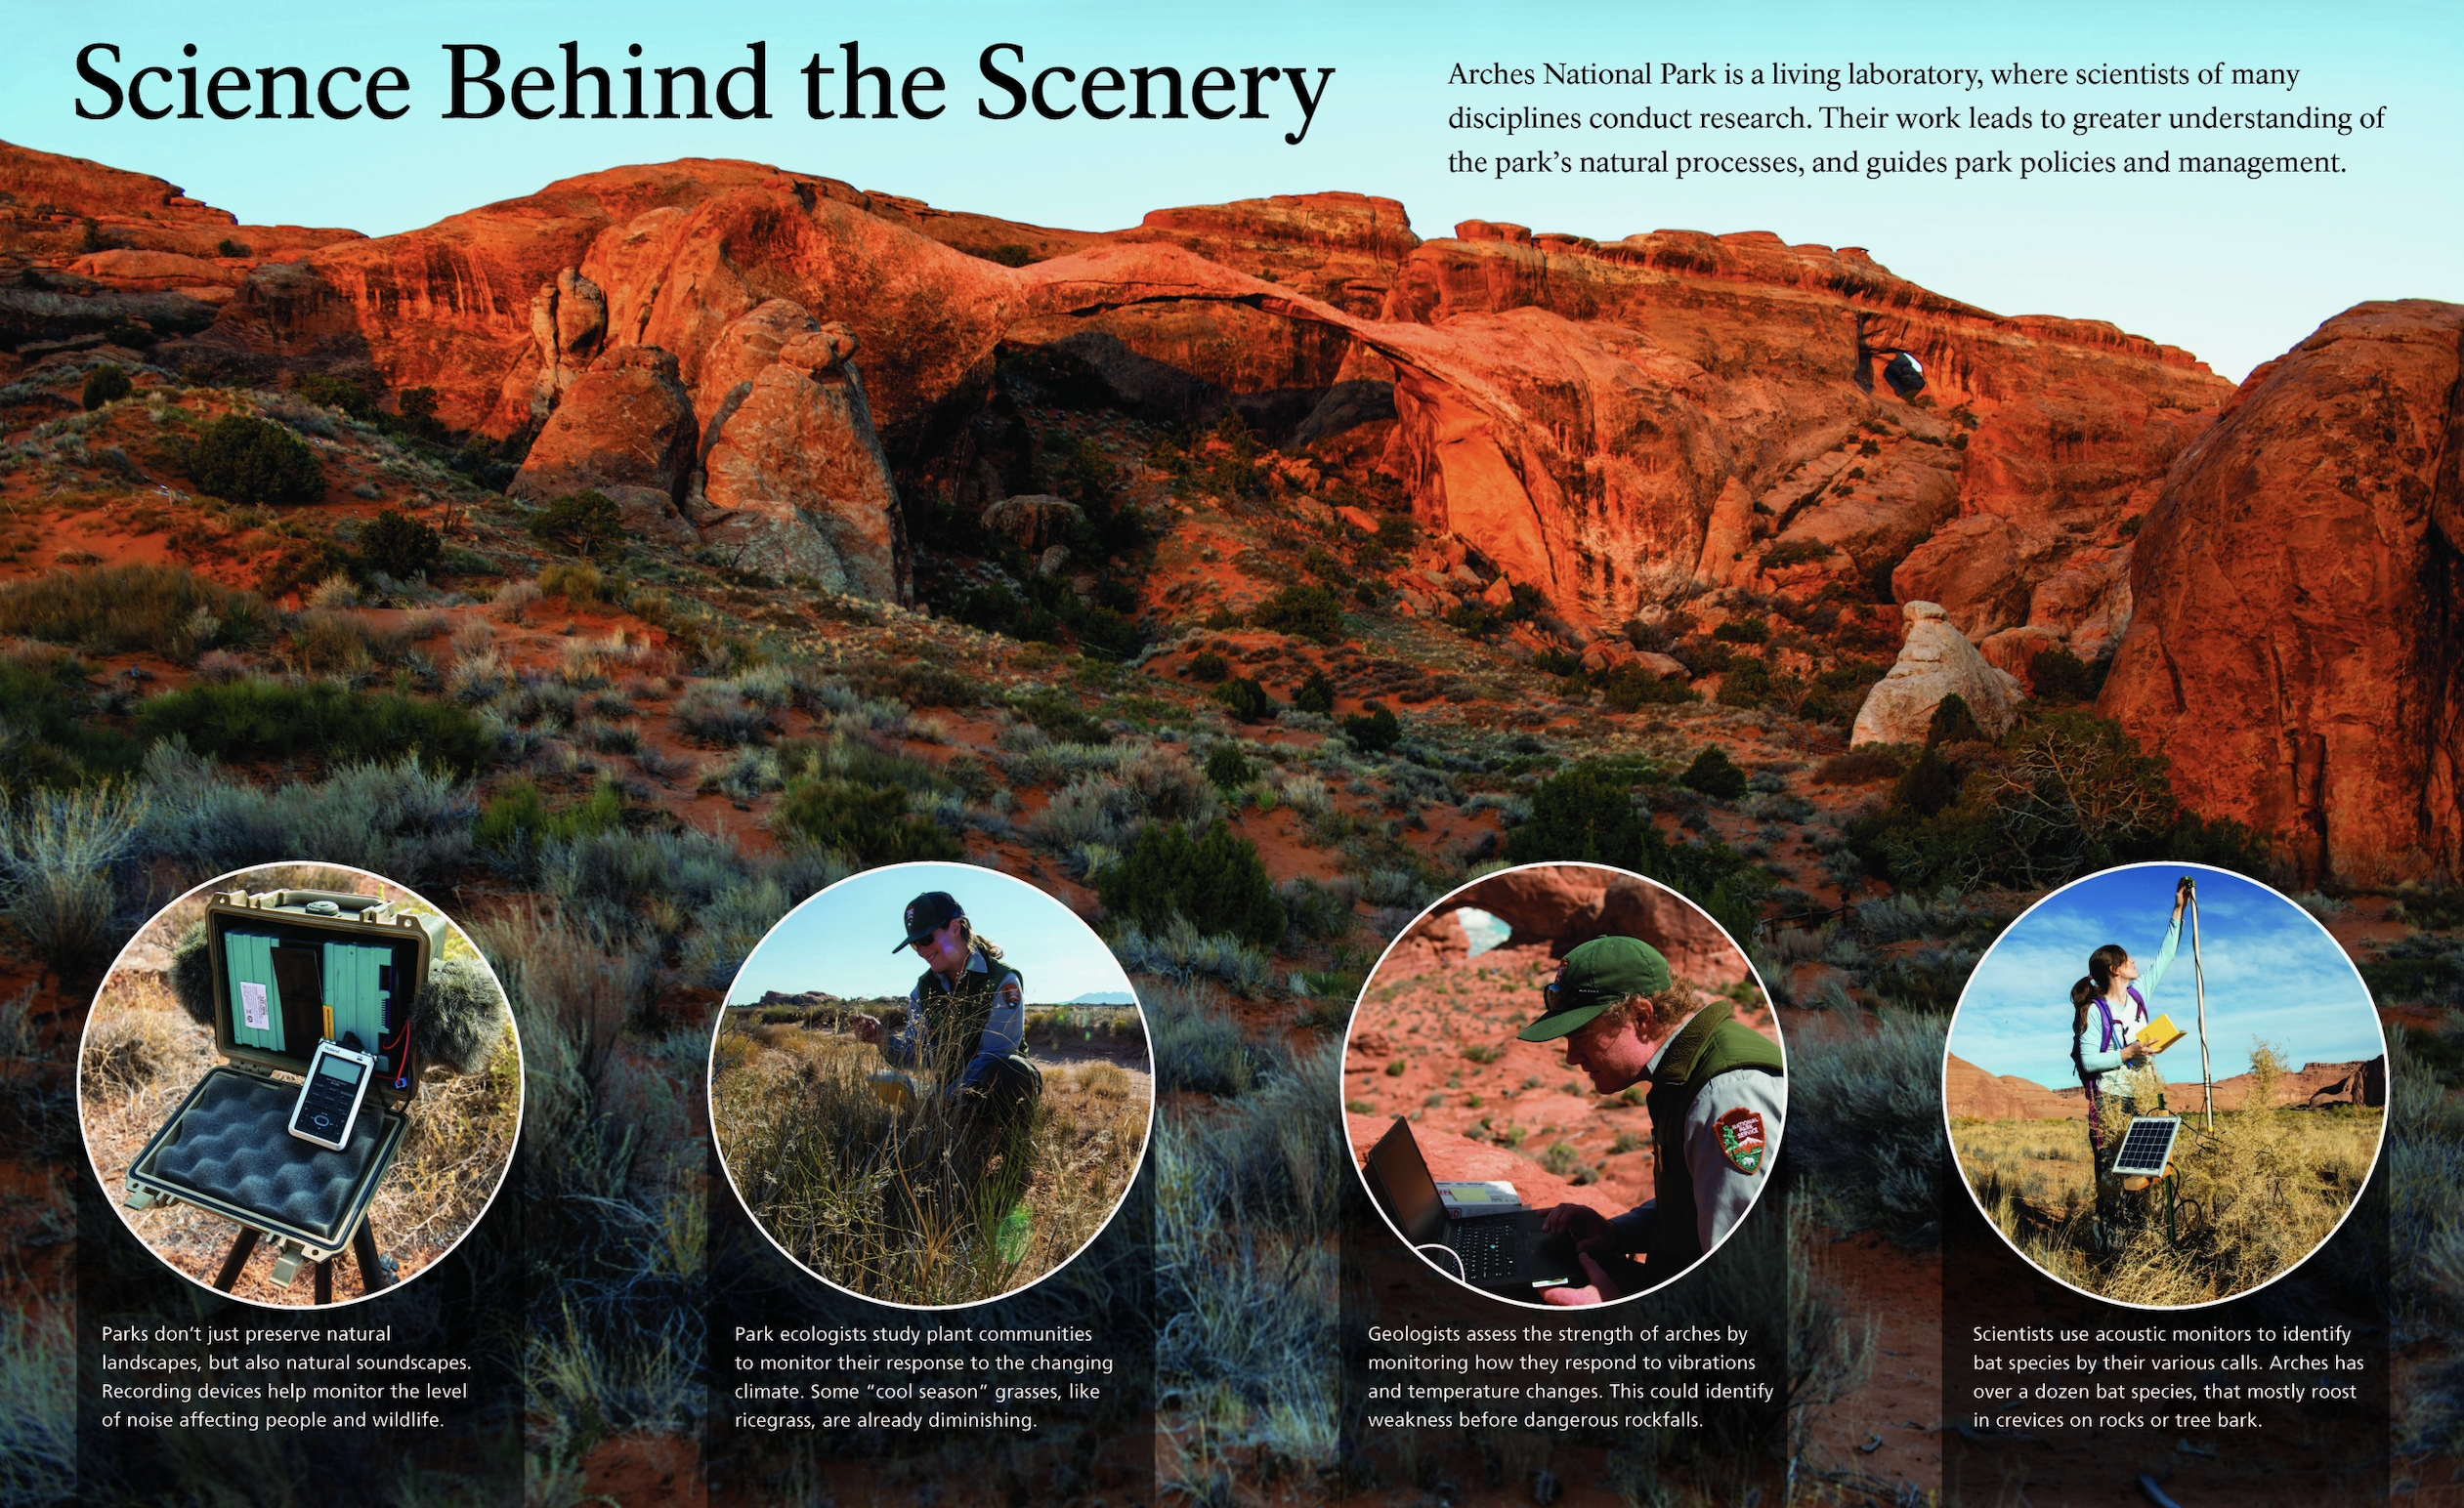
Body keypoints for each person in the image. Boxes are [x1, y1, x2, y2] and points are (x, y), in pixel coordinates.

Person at [1511, 935, 1785, 1305]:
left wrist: (1615, 1310)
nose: (1571, 1057)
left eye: (1582, 1036)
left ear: (1642, 1016)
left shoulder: (1724, 1097)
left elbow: (1743, 1279)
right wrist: (1617, 1234)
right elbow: (1703, 1199)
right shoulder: (1684, 1074)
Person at [851, 891, 1042, 1191]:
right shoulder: (923, 990)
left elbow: (995, 1055)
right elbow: (916, 1054)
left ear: (955, 927)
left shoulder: (1002, 981)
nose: (920, 950)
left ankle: (1017, 1152)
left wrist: (939, 1100)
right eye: (914, 944)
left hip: (992, 1091)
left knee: (1011, 1069)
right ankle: (964, 1137)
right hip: (951, 1098)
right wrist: (883, 1040)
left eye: (925, 939)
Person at [2073, 874, 2193, 1242]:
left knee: (2143, 1169)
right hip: (2110, 1099)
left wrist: (2178, 910)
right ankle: (2109, 1245)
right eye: (2128, 959)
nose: (2135, 962)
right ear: (2114, 969)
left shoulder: (2139, 995)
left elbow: (2166, 956)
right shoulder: (2095, 1010)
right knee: (2112, 1172)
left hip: (2142, 1095)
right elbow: (2087, 1060)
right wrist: (2128, 1052)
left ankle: (2139, 1238)